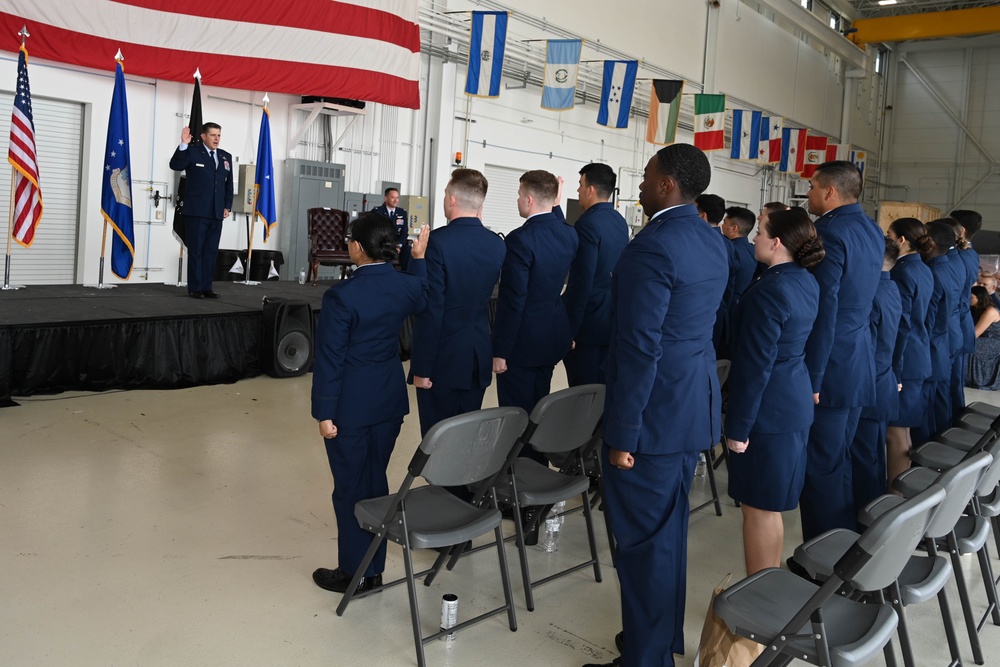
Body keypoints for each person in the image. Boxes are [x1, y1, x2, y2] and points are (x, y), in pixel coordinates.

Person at [585, 144, 728, 667]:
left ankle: (646, 659)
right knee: (667, 536)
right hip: (689, 405)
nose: (639, 185)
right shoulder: (711, 240)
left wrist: (623, 433)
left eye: (646, 177)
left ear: (667, 184)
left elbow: (640, 346)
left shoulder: (652, 247)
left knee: (643, 546)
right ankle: (659, 640)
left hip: (651, 417)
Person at [310, 213, 429, 594]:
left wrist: (324, 412)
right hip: (388, 403)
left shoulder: (342, 296)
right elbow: (424, 293)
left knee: (349, 489)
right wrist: (420, 258)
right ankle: (372, 568)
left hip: (351, 409)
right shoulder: (404, 287)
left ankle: (355, 573)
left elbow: (330, 358)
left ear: (357, 248)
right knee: (375, 483)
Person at [726, 208, 823, 575]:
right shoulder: (803, 279)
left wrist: (739, 427)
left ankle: (758, 604)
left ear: (776, 242)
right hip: (792, 401)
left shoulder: (772, 289)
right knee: (771, 507)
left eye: (760, 233)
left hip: (767, 412)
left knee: (758, 509)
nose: (754, 238)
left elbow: (755, 366)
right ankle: (767, 589)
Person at [801, 160, 883, 540]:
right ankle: (850, 541)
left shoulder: (829, 232)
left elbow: (825, 309)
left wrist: (814, 376)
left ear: (830, 192)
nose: (809, 194)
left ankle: (825, 560)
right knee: (840, 459)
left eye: (813, 187)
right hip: (858, 358)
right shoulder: (870, 228)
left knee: (820, 467)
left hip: (831, 366)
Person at [409, 169, 506, 437]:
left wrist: (422, 367)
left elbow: (431, 309)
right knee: (467, 437)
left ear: (452, 199)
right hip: (477, 355)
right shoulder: (497, 245)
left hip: (443, 358)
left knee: (437, 438)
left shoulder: (436, 243)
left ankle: (442, 482)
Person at [492, 170, 578, 427]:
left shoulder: (519, 240)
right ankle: (536, 460)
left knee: (516, 414)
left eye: (519, 195)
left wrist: (501, 351)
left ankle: (518, 464)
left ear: (529, 200)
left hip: (522, 342)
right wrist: (556, 203)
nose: (517, 200)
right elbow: (556, 226)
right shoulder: (569, 234)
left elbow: (513, 299)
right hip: (551, 336)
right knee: (539, 406)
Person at [561, 163, 630, 386]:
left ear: (591, 189)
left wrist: (569, 330)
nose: (578, 191)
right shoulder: (619, 221)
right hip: (610, 321)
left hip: (587, 326)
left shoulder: (587, 224)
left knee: (583, 393)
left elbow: (581, 283)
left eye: (580, 185)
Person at [849, 236, 901, 514]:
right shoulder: (891, 288)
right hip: (884, 380)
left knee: (864, 461)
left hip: (871, 385)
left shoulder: (872, 295)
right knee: (871, 458)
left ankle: (866, 520)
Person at [885, 218, 934, 485]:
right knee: (901, 429)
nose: (888, 238)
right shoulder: (922, 268)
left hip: (906, 358)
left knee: (896, 430)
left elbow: (901, 324)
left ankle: (895, 492)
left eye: (890, 235)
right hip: (918, 353)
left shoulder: (902, 271)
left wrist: (897, 370)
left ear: (902, 240)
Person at [169, 122, 234, 299]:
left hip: (216, 213)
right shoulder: (193, 152)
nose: (216, 139)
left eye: (219, 135)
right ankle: (195, 288)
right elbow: (175, 165)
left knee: (211, 252)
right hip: (196, 212)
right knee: (196, 251)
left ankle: (207, 287)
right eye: (213, 135)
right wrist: (183, 144)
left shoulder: (225, 157)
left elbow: (228, 185)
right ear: (204, 136)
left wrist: (227, 206)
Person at [921, 220, 961, 442]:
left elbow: (929, 319)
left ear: (932, 243)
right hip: (943, 342)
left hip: (933, 346)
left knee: (926, 411)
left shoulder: (933, 273)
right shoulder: (947, 265)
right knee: (939, 405)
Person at [947, 211, 982, 417]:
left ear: (961, 230)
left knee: (950, 383)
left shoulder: (957, 257)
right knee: (954, 382)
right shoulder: (971, 253)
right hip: (960, 322)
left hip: (955, 323)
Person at [696, 193, 736, 358]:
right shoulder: (726, 243)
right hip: (721, 311)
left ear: (702, 216)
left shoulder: (702, 241)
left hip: (705, 316)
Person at [721, 205, 757, 305]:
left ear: (734, 228)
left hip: (729, 303)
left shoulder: (730, 250)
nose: (721, 226)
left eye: (724, 223)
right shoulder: (752, 249)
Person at [967, 285, 1000, 389]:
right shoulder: (975, 309)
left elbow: (975, 333)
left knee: (972, 346)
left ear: (980, 299)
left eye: (971, 297)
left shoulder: (990, 311)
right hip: (985, 338)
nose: (968, 299)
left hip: (995, 341)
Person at [372, 187, 410, 266]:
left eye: (397, 198)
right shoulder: (377, 211)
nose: (396, 200)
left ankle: (404, 275)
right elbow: (375, 231)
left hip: (397, 244)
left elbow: (404, 232)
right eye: (393, 197)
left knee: (408, 250)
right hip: (382, 244)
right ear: (386, 198)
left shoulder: (402, 212)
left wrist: (398, 246)